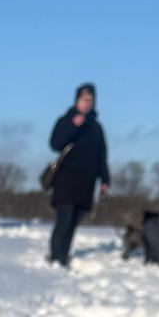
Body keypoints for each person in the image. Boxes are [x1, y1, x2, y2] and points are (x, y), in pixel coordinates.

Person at [46, 84, 109, 266]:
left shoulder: (96, 127)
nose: (87, 103)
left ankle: (63, 255)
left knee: (75, 220)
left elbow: (102, 155)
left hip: (86, 182)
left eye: (90, 100)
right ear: (77, 101)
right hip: (66, 179)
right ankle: (55, 256)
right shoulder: (66, 120)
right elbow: (55, 144)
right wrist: (73, 126)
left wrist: (105, 179)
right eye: (84, 99)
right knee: (64, 218)